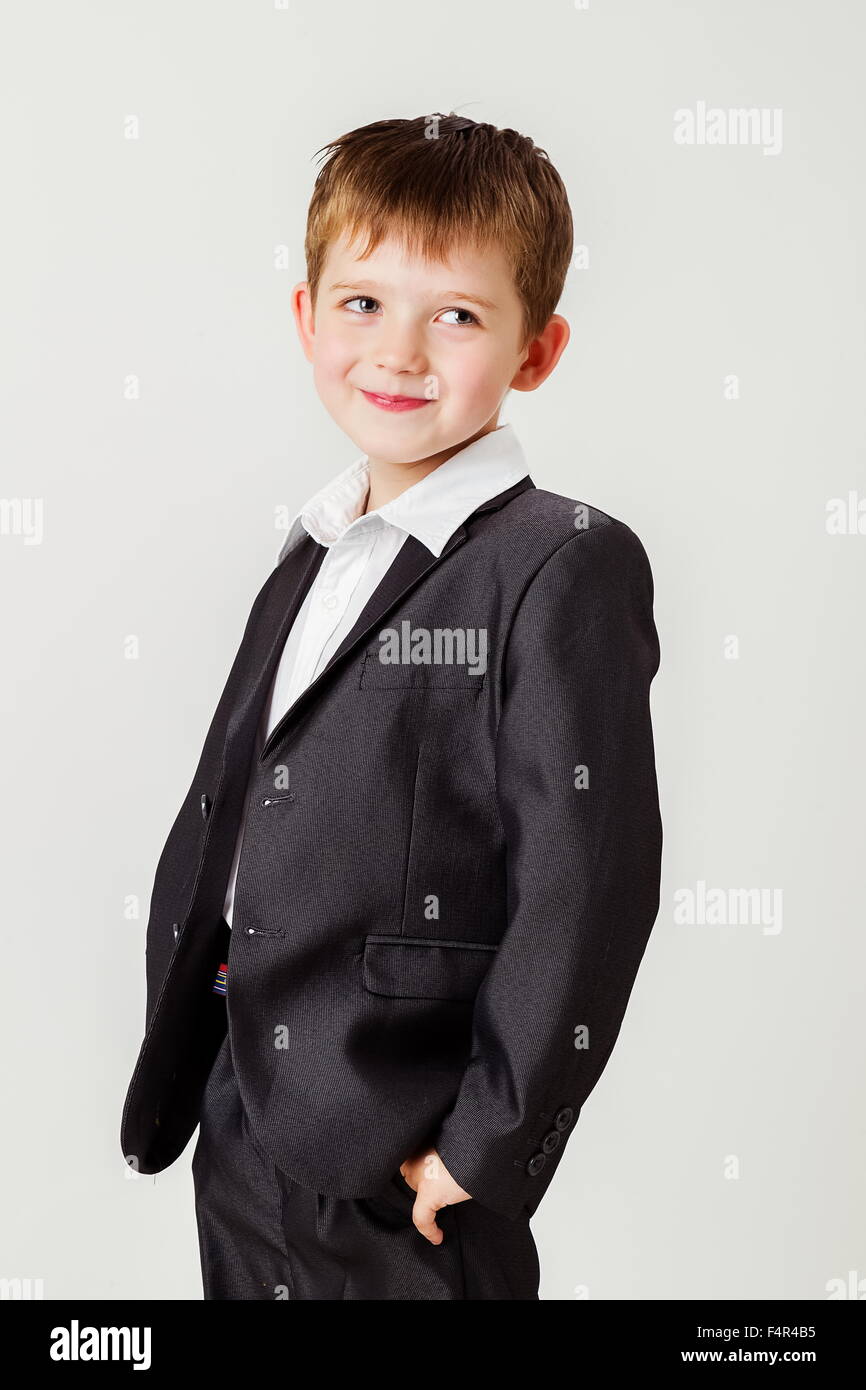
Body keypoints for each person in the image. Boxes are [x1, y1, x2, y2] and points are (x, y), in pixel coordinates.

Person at [120, 112, 663, 1301]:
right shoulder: (314, 549)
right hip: (245, 1112)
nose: (400, 352)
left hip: (401, 1151)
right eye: (363, 303)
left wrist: (489, 1142)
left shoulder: (557, 560)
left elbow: (587, 881)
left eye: (456, 315)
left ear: (537, 349)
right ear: (306, 318)